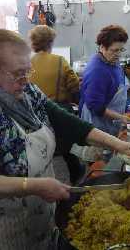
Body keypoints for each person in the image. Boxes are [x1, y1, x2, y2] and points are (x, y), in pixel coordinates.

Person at [0, 29, 130, 250]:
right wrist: (31, 185)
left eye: (27, 71)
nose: (25, 79)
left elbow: (68, 122)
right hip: (9, 225)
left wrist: (119, 145)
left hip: (43, 209)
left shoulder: (28, 91)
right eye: (17, 73)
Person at [29, 25, 81, 184]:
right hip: (58, 112)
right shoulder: (59, 60)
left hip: (35, 115)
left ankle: (45, 183)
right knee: (70, 151)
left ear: (33, 43)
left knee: (43, 152)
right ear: (50, 42)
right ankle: (76, 178)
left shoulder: (28, 62)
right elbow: (74, 86)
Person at [79, 24, 130, 138]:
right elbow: (96, 108)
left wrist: (124, 111)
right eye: (115, 50)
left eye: (121, 50)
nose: (118, 55)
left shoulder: (112, 60)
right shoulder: (97, 71)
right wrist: (120, 117)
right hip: (97, 125)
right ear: (102, 47)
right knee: (98, 154)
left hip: (110, 122)